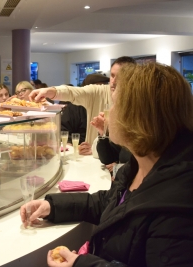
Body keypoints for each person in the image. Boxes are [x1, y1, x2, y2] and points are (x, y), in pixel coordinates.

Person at [21, 62, 193, 266]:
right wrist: (54, 205)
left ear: (137, 117)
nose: (109, 112)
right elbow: (112, 202)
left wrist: (81, 264)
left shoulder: (178, 208)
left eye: (114, 105)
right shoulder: (141, 165)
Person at [29, 56, 136, 153]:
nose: (114, 81)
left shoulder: (138, 101)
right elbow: (73, 92)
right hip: (95, 161)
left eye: (120, 77)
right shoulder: (99, 91)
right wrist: (51, 91)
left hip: (124, 165)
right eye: (112, 76)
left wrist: (118, 164)